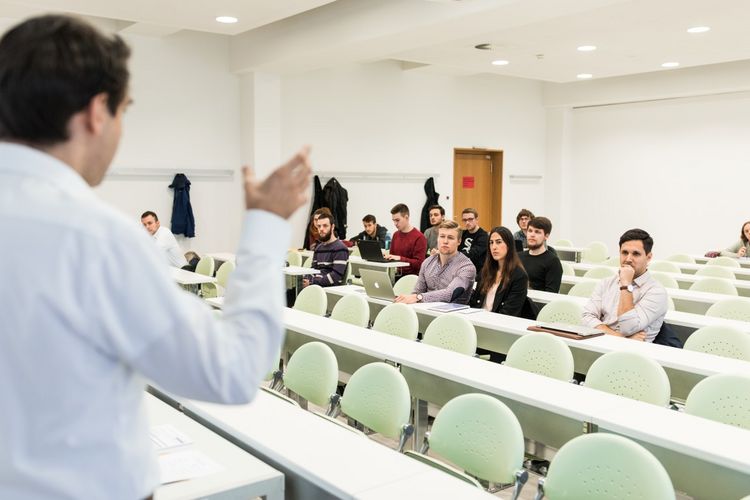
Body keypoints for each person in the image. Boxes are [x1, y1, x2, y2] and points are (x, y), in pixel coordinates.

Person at [0, 15, 312, 500]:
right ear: (97, 112)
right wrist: (268, 225)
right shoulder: (95, 238)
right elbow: (231, 371)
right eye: (125, 110)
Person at [582, 229, 668, 342]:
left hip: (635, 354)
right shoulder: (606, 283)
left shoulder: (656, 292)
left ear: (648, 257)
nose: (628, 259)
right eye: (624, 252)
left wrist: (626, 284)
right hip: (601, 343)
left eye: (636, 254)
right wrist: (620, 337)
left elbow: (628, 327)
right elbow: (586, 318)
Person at [395, 220, 475, 304]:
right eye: (442, 236)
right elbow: (417, 292)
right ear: (437, 238)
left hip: (453, 315)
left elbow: (451, 293)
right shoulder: (427, 262)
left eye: (450, 238)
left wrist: (419, 297)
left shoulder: (466, 267)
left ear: (459, 241)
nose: (445, 241)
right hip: (427, 312)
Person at [470, 226, 534, 318]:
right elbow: (474, 303)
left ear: (509, 245)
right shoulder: (486, 271)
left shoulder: (519, 276)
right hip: (479, 320)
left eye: (499, 242)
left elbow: (509, 312)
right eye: (491, 243)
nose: (494, 247)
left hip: (499, 324)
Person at [304, 212, 349, 287]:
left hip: (329, 289)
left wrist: (313, 281)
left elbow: (336, 276)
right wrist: (307, 278)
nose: (321, 229)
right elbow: (313, 269)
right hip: (316, 286)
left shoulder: (340, 248)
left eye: (325, 226)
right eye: (319, 226)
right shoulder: (318, 248)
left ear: (332, 227)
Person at [519, 216, 563, 292]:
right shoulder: (518, 257)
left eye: (537, 232)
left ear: (546, 236)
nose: (532, 235)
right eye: (530, 231)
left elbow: (550, 295)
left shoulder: (553, 262)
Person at [386, 203, 427, 276]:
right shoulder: (395, 235)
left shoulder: (420, 237)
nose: (395, 223)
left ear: (406, 217)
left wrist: (399, 258)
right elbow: (392, 257)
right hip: (395, 275)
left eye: (397, 220)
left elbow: (419, 264)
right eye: (393, 220)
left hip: (411, 279)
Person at [459, 208, 488, 273]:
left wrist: (454, 255)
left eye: (470, 219)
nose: (467, 222)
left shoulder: (484, 236)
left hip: (476, 271)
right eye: (465, 220)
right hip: (461, 268)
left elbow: (473, 253)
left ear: (477, 220)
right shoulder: (462, 233)